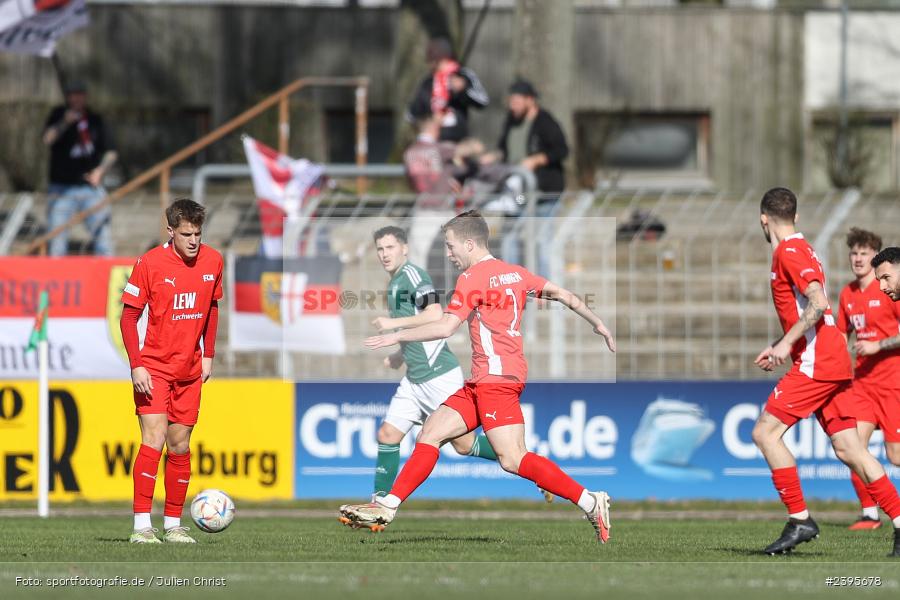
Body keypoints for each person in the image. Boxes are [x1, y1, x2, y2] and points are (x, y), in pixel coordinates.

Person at [339, 210, 616, 542]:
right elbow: (563, 294)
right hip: (481, 380)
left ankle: (590, 501)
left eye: (451, 245)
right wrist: (596, 322)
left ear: (469, 244)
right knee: (430, 433)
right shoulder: (515, 273)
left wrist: (398, 334)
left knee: (513, 459)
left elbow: (445, 325)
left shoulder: (473, 278)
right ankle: (388, 505)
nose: (449, 253)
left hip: (497, 381)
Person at [751, 188, 900, 557]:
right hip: (830, 358)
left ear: (763, 219)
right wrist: (783, 342)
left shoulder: (789, 251)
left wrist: (787, 345)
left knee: (765, 433)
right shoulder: (796, 249)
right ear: (796, 216)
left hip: (819, 361)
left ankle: (800, 518)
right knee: (849, 447)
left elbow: (818, 303)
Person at [356, 225, 504, 503]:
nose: (384, 254)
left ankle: (521, 457)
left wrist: (392, 325)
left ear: (404, 248)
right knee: (387, 433)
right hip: (415, 378)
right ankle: (378, 505)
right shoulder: (395, 281)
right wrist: (401, 354)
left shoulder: (412, 276)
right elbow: (418, 325)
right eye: (380, 249)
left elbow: (435, 313)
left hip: (438, 375)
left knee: (464, 444)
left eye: (390, 247)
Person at [119, 198, 224, 544]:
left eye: (198, 233)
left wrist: (208, 354)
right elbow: (129, 316)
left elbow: (211, 309)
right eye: (186, 234)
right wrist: (136, 365)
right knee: (154, 439)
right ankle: (141, 527)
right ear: (171, 231)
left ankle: (174, 525)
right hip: (154, 369)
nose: (194, 240)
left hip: (190, 369)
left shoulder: (213, 260)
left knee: (179, 446)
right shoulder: (150, 263)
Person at [835, 229, 900, 530]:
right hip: (861, 385)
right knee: (851, 447)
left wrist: (879, 344)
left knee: (895, 456)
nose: (858, 258)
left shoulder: (889, 289)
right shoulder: (847, 294)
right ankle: (870, 514)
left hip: (892, 384)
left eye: (865, 253)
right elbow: (839, 336)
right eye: (854, 253)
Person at [481, 80, 569, 277]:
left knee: (541, 241)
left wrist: (537, 159)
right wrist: (493, 156)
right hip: (517, 193)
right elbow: (504, 150)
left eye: (517, 101)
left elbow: (561, 150)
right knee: (509, 237)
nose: (513, 105)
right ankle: (513, 286)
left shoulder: (545, 122)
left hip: (543, 192)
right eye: (511, 101)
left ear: (530, 100)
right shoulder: (511, 121)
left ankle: (546, 290)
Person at [42, 79, 117, 256]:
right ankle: (56, 279)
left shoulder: (95, 119)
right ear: (67, 98)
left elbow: (111, 152)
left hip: (90, 187)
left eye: (79, 95)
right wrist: (64, 122)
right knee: (57, 239)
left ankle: (108, 277)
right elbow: (47, 139)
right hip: (61, 188)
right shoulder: (58, 114)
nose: (76, 99)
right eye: (72, 96)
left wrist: (101, 171)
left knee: (103, 237)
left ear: (85, 97)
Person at [403, 105, 461, 269]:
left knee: (417, 258)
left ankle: (418, 293)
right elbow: (469, 149)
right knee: (457, 257)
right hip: (443, 209)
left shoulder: (410, 152)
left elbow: (411, 182)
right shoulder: (440, 149)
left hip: (423, 209)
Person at [408, 37, 489, 143]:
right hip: (434, 140)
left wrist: (463, 90)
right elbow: (412, 114)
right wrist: (430, 121)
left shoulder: (463, 74)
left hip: (457, 140)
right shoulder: (428, 82)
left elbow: (483, 100)